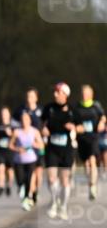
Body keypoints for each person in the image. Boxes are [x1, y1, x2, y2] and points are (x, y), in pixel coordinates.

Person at [41, 82, 77, 220]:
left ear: (65, 94)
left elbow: (81, 127)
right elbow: (41, 123)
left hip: (66, 149)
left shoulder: (72, 110)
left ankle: (63, 207)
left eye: (58, 92)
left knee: (64, 180)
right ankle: (54, 203)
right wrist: (43, 129)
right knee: (51, 178)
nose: (55, 94)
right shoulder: (48, 108)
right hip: (52, 148)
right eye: (55, 92)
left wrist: (74, 128)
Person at [74, 84, 105, 200]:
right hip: (82, 138)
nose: (85, 95)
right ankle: (90, 182)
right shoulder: (77, 107)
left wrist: (102, 123)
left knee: (92, 160)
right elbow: (73, 121)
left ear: (91, 94)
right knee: (86, 163)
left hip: (93, 137)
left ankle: (93, 186)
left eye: (87, 93)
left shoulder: (96, 105)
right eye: (83, 93)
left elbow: (103, 117)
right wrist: (76, 127)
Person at [16, 87, 45, 206]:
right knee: (31, 173)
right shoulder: (21, 110)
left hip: (38, 144)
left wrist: (46, 132)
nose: (29, 99)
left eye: (32, 96)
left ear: (36, 98)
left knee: (39, 172)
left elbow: (47, 123)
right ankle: (30, 193)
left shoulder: (41, 111)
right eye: (28, 96)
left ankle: (35, 191)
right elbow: (13, 123)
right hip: (26, 146)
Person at [11, 111, 43, 211]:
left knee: (28, 180)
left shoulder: (34, 131)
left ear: (29, 121)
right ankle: (23, 193)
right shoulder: (17, 132)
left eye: (26, 119)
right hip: (19, 160)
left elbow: (41, 145)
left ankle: (26, 199)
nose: (24, 121)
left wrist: (35, 145)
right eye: (22, 120)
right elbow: (10, 145)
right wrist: (18, 149)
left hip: (31, 159)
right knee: (20, 180)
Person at [0, 106, 18, 197]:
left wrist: (11, 134)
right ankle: (1, 186)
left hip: (10, 151)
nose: (4, 115)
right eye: (2, 114)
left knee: (10, 171)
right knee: (0, 168)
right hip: (0, 151)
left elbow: (17, 138)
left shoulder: (13, 126)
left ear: (9, 115)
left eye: (5, 114)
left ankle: (9, 185)